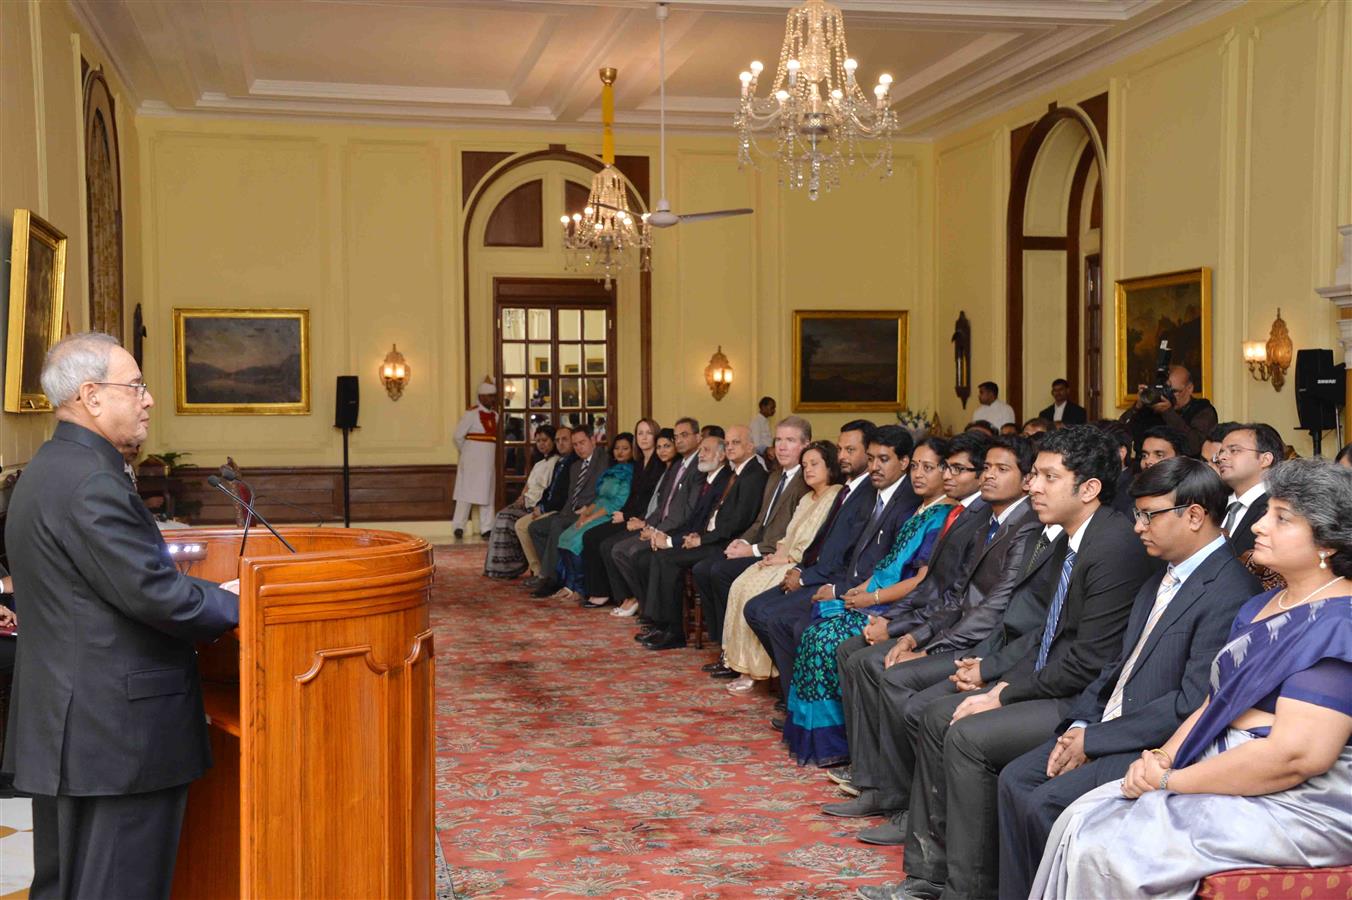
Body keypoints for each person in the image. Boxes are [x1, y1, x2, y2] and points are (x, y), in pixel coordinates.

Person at [1030, 458, 1352, 899]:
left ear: (1327, 541)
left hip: (1302, 799)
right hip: (1223, 761)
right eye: (1266, 512)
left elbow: (1297, 756)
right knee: (1083, 817)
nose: (1259, 526)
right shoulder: (1262, 606)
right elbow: (1212, 703)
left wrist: (1170, 781)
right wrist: (1161, 758)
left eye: (1282, 519)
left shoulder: (1340, 622)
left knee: (1114, 846)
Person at [871, 426, 1155, 900]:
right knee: (940, 713)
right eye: (1035, 474)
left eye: (1048, 476)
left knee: (965, 735)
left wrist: (1002, 693)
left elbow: (1089, 661)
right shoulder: (1073, 537)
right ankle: (928, 872)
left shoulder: (1112, 547)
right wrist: (993, 680)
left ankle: (969, 888)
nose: (1033, 486)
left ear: (1089, 488)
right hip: (1052, 678)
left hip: (1083, 700)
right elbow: (1044, 635)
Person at [2, 333, 239, 899]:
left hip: (71, 721)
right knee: (118, 886)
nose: (148, 399)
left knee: (68, 884)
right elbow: (154, 596)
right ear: (90, 395)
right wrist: (237, 599)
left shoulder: (47, 469)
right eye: (135, 386)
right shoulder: (92, 481)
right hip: (119, 732)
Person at [997, 456, 1259, 899]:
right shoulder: (1162, 574)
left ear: (1193, 515)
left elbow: (1191, 702)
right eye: (1137, 514)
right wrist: (1081, 726)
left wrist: (1095, 741)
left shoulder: (1230, 590)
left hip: (1156, 744)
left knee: (1046, 801)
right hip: (1107, 726)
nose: (1138, 526)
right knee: (1015, 778)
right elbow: (1114, 667)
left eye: (1149, 515)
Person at [828, 436, 1041, 844]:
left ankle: (903, 800)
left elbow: (992, 611)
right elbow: (954, 594)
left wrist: (927, 646)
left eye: (1000, 469)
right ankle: (878, 786)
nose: (988, 476)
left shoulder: (1025, 526)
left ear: (1025, 478)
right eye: (988, 468)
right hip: (954, 630)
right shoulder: (989, 519)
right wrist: (911, 637)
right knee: (866, 656)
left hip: (984, 645)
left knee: (887, 673)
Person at [782, 438, 952, 767]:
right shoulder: (919, 508)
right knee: (815, 631)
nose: (918, 474)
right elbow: (888, 565)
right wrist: (857, 591)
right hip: (878, 595)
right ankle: (823, 739)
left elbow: (919, 580)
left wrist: (870, 598)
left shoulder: (941, 515)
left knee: (824, 639)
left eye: (927, 468)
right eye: (916, 466)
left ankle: (838, 743)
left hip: (897, 607)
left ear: (945, 472)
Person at [745, 425, 920, 709]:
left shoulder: (896, 499)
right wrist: (803, 571)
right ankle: (796, 697)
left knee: (791, 623)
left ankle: (800, 703)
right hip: (840, 579)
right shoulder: (870, 490)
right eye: (840, 449)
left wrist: (836, 589)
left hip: (861, 591)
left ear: (903, 462)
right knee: (758, 608)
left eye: (881, 459)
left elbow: (884, 565)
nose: (875, 466)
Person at [722, 442, 843, 693]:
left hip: (800, 563)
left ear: (830, 466)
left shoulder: (836, 494)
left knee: (753, 593)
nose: (808, 470)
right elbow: (789, 534)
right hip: (784, 556)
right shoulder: (807, 497)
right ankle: (740, 664)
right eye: (805, 465)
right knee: (740, 584)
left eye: (814, 464)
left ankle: (759, 669)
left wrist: (787, 558)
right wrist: (777, 553)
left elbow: (814, 541)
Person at [635, 426, 768, 651]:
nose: (731, 447)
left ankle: (675, 631)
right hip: (712, 537)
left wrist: (701, 540)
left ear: (751, 446)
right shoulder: (738, 471)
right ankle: (666, 625)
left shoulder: (753, 474)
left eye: (736, 443)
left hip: (726, 543)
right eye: (728, 443)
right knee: (660, 557)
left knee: (668, 559)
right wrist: (697, 536)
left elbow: (738, 522)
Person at [697, 417, 812, 673]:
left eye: (790, 441)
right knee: (708, 568)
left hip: (780, 555)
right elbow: (760, 521)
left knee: (720, 571)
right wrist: (742, 541)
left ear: (806, 445)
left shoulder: (807, 481)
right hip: (761, 547)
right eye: (779, 440)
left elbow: (791, 534)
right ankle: (724, 646)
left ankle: (735, 653)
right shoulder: (775, 477)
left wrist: (753, 550)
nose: (782, 447)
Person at [602, 419, 703, 618]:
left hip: (677, 530)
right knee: (619, 549)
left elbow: (686, 512)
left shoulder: (698, 467)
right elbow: (662, 505)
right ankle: (644, 604)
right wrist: (649, 525)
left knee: (632, 552)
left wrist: (656, 531)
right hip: (658, 524)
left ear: (698, 438)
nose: (679, 441)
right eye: (676, 437)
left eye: (684, 435)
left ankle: (650, 610)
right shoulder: (676, 466)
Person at [578, 419, 667, 607]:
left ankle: (626, 596)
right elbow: (633, 496)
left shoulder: (660, 463)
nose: (643, 437)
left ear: (655, 436)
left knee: (607, 544)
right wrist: (623, 513)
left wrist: (627, 517)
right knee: (590, 536)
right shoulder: (640, 462)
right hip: (630, 514)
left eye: (648, 433)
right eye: (640, 433)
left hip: (643, 519)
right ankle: (601, 591)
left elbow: (652, 501)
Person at [526, 423, 609, 597]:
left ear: (593, 440)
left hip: (589, 512)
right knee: (536, 527)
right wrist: (560, 512)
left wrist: (588, 510)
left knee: (558, 524)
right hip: (568, 512)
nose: (579, 448)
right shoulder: (575, 466)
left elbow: (605, 494)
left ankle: (550, 579)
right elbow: (571, 496)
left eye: (583, 442)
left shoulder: (603, 460)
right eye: (576, 444)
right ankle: (555, 572)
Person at [552, 433, 635, 604]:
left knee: (578, 539)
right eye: (617, 448)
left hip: (609, 513)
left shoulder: (630, 473)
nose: (620, 452)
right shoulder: (611, 470)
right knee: (565, 537)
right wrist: (585, 513)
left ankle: (581, 588)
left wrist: (591, 518)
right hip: (597, 508)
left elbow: (618, 502)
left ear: (633, 450)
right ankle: (570, 585)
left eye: (625, 449)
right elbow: (598, 497)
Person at [484, 425, 559, 578]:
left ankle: (512, 566)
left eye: (545, 440)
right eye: (538, 441)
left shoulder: (557, 463)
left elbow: (549, 490)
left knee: (506, 520)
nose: (541, 444)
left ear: (553, 441)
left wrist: (533, 504)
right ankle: (496, 568)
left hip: (537, 505)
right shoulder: (539, 464)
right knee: (501, 516)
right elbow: (528, 486)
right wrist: (521, 498)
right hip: (527, 502)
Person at [1118, 364, 1218, 456]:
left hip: (1185, 471)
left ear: (1189, 388)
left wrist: (1168, 413)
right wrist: (1138, 407)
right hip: (1144, 470)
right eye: (1164, 391)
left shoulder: (1202, 410)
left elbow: (1194, 447)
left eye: (1173, 391)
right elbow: (1119, 435)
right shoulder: (1150, 409)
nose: (1168, 396)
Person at [517, 425, 574, 586]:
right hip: (546, 505)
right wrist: (540, 505)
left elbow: (562, 496)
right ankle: (537, 569)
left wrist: (543, 508)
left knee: (533, 526)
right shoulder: (561, 462)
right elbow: (550, 490)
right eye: (558, 440)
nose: (561, 443)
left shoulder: (572, 463)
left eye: (565, 440)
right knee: (520, 525)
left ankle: (547, 573)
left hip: (559, 510)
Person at [1216, 421, 1283, 557]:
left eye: (1234, 450)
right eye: (1221, 452)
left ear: (1265, 459)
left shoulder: (1279, 508)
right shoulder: (1215, 504)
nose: (1221, 457)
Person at [452, 376, 499, 539]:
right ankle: (458, 526)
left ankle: (487, 527)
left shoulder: (496, 416)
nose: (492, 399)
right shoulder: (471, 414)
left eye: (494, 396)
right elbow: (458, 436)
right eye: (489, 396)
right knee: (465, 494)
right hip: (472, 461)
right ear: (481, 397)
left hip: (488, 462)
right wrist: (467, 453)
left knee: (487, 494)